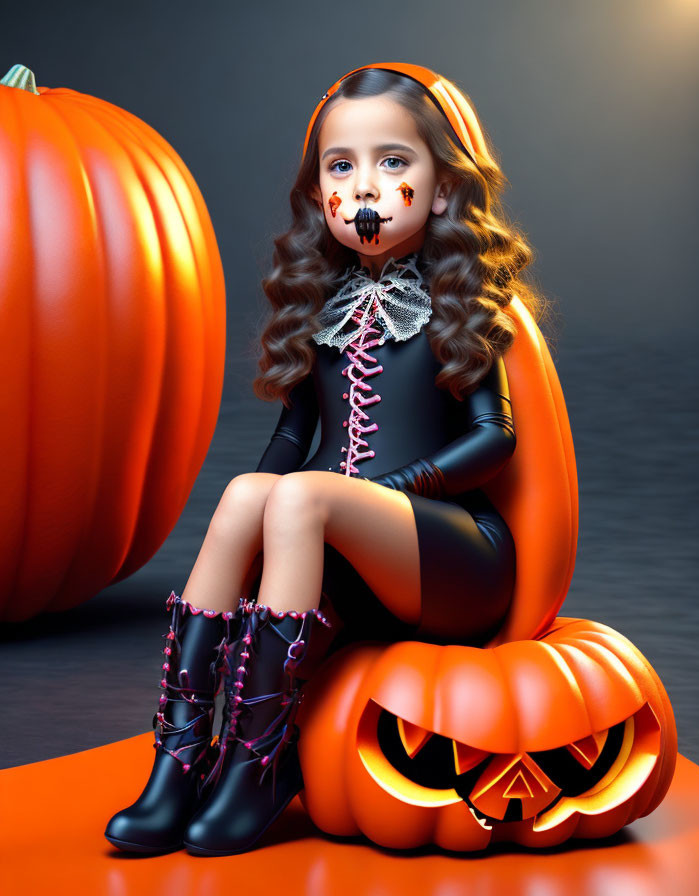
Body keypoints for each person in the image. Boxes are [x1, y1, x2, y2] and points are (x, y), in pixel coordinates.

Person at [104, 62, 550, 857]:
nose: (365, 186)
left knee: (306, 496)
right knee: (250, 491)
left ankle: (260, 762)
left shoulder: (464, 300)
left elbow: (496, 438)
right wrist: (261, 509)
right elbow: (290, 441)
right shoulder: (321, 312)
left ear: (443, 189)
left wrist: (385, 492)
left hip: (454, 563)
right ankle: (180, 758)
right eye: (341, 166)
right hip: (344, 565)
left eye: (394, 162)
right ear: (319, 194)